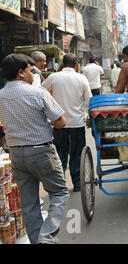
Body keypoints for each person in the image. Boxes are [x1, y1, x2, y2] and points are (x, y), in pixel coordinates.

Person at [0, 54, 68, 244]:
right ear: (21, 73)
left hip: (16, 153)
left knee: (29, 204)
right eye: (30, 70)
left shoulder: (1, 96)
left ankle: (38, 240)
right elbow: (61, 121)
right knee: (60, 193)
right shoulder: (37, 92)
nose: (32, 74)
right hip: (40, 152)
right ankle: (45, 238)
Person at [42, 54, 92, 192]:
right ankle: (77, 184)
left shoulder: (54, 77)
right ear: (77, 65)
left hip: (58, 123)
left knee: (60, 153)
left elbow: (41, 91)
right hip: (77, 122)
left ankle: (61, 183)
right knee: (77, 153)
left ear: (62, 64)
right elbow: (89, 100)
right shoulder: (81, 78)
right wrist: (88, 117)